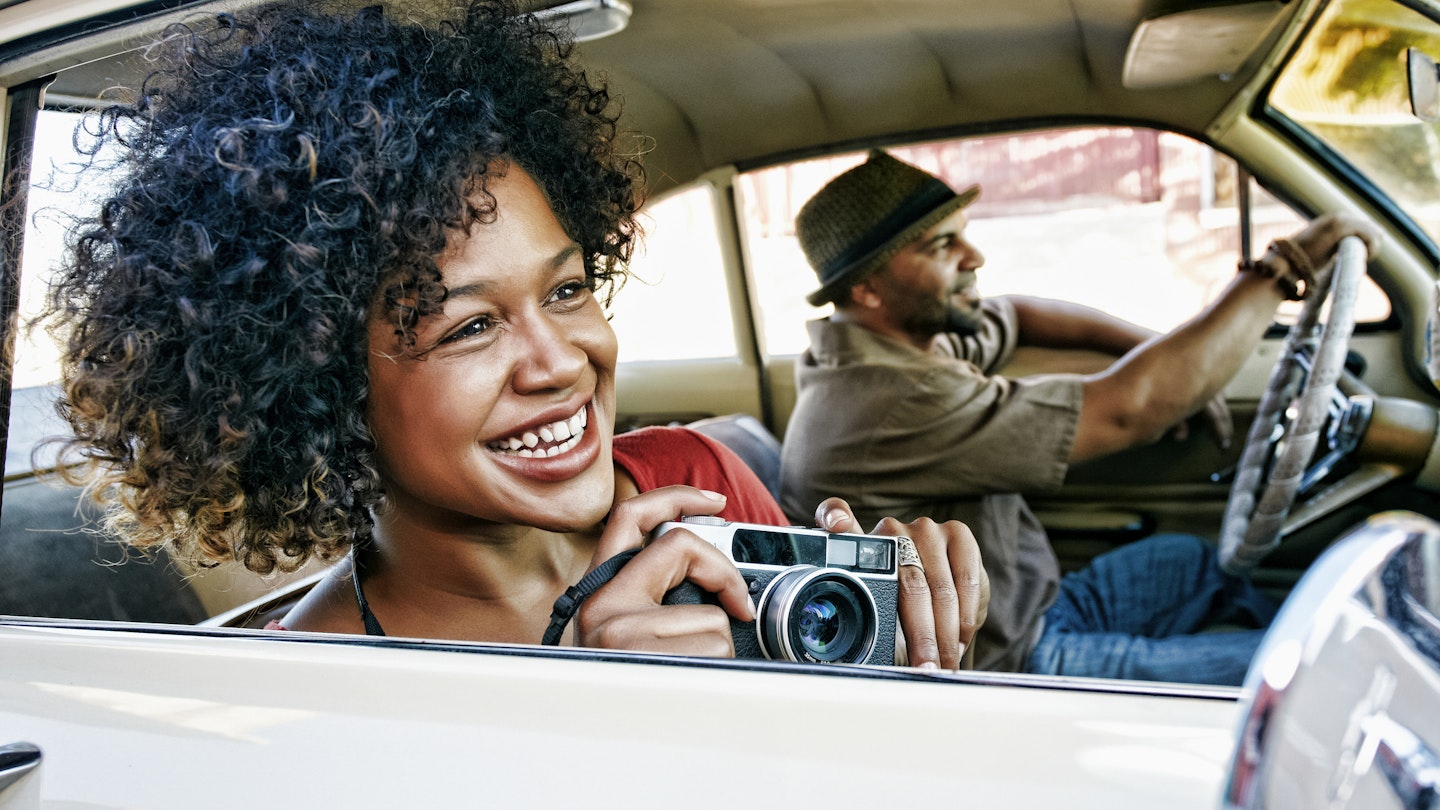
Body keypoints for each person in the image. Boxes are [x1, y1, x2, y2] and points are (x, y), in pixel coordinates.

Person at [38, 2, 987, 669]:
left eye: (567, 289)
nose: (562, 362)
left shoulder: (696, 479)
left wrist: (901, 638)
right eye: (470, 327)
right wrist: (586, 713)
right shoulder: (317, 675)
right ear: (318, 386)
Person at [779, 149, 1379, 685]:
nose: (974, 257)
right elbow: (1130, 411)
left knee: (1199, 565)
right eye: (941, 247)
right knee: (1319, 668)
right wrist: (1282, 270)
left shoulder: (906, 340)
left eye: (962, 235)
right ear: (868, 290)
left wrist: (1151, 346)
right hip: (1013, 660)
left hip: (1040, 605)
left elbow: (1015, 314)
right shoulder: (895, 397)